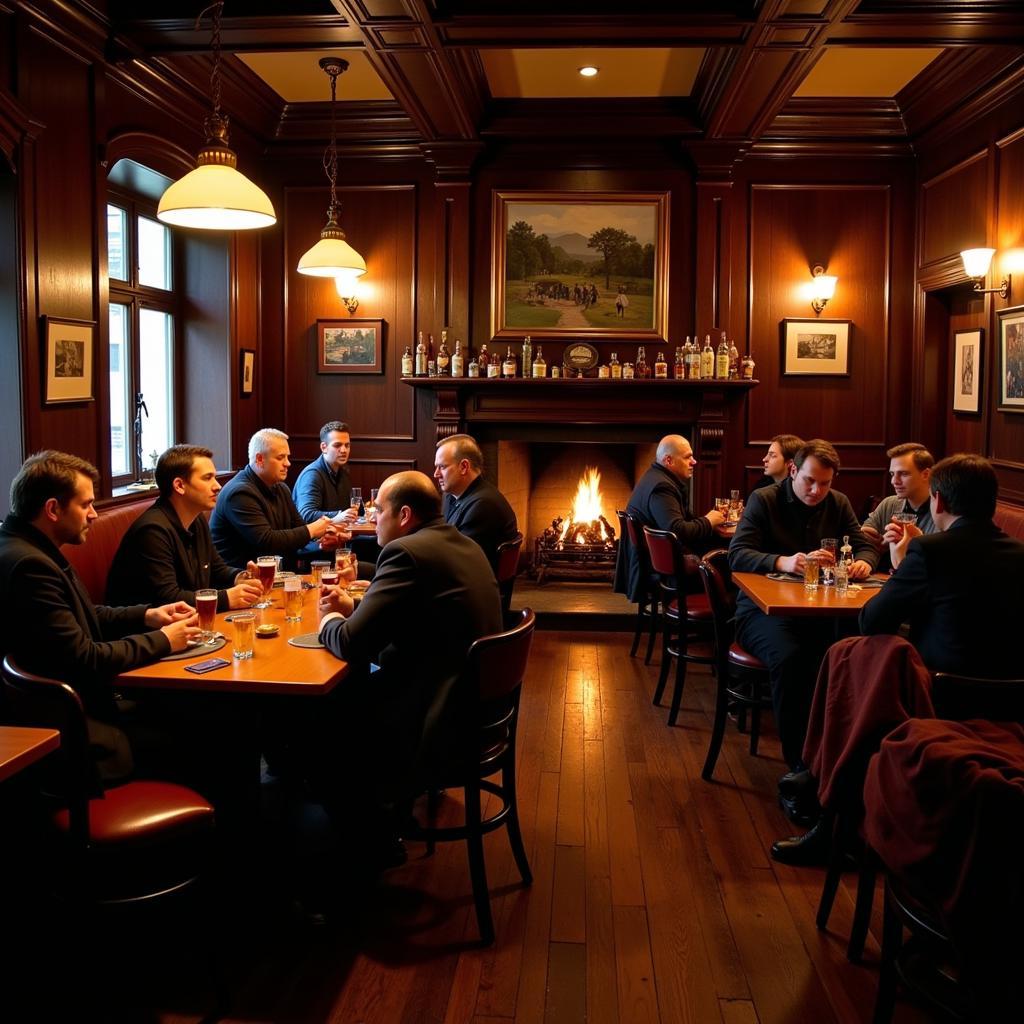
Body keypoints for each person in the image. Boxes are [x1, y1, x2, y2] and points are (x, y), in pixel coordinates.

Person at [771, 453, 1024, 864]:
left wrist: (902, 561)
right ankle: (818, 779)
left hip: (937, 696)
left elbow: (871, 619)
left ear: (938, 502)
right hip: (1010, 703)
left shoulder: (930, 551)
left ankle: (830, 810)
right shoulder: (1020, 553)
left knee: (863, 659)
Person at [315, 471, 503, 861]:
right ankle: (382, 821)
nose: (373, 518)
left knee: (318, 724)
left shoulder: (405, 553)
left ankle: (362, 849)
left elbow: (351, 643)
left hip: (436, 718)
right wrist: (354, 607)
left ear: (403, 515)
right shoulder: (462, 543)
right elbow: (415, 616)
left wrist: (328, 620)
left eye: (378, 510)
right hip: (477, 708)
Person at [0, 451, 200, 781]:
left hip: (69, 706)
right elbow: (85, 657)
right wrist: (164, 641)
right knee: (206, 729)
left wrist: (147, 615)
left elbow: (82, 614)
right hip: (67, 728)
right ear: (52, 509)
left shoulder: (26, 546)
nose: (94, 514)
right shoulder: (30, 567)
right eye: (85, 504)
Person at [728, 439, 876, 787]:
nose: (817, 490)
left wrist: (863, 562)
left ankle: (846, 759)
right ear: (793, 470)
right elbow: (737, 553)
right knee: (792, 658)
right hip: (760, 613)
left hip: (820, 611)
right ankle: (800, 765)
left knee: (856, 650)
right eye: (810, 480)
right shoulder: (765, 500)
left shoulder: (836, 503)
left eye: (825, 483)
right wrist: (785, 561)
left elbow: (865, 544)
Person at [107, 444, 263, 611]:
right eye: (207, 478)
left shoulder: (196, 519)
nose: (217, 486)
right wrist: (225, 598)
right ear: (179, 485)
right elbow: (167, 598)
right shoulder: (152, 531)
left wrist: (239, 577)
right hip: (145, 631)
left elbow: (216, 569)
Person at [614, 434, 727, 604]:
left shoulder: (657, 477)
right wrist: (709, 521)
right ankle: (724, 624)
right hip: (663, 569)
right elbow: (678, 530)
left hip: (654, 561)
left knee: (721, 553)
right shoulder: (662, 487)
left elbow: (681, 522)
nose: (694, 462)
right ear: (669, 460)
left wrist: (709, 524)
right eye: (688, 457)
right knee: (727, 564)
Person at [210, 428, 343, 571]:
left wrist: (322, 541)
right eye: (280, 458)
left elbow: (298, 530)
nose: (288, 463)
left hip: (282, 575)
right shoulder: (239, 493)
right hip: (243, 581)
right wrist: (312, 530)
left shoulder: (281, 488)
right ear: (260, 459)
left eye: (287, 457)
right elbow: (266, 542)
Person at [434, 434, 518, 571]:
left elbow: (457, 560)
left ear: (464, 467)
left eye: (442, 467)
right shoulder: (450, 495)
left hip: (472, 586)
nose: (436, 474)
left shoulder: (484, 505)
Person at [860, 442, 936, 569]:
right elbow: (862, 542)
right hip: (886, 580)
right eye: (892, 474)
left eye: (904, 474)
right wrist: (880, 543)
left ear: (926, 474)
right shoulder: (889, 504)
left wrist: (915, 544)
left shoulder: (942, 511)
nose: (894, 481)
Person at [292, 420, 358, 526]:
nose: (344, 450)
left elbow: (353, 511)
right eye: (337, 445)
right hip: (313, 540)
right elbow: (306, 514)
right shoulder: (312, 475)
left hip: (338, 534)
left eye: (347, 445)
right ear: (324, 447)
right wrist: (338, 515)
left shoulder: (343, 472)